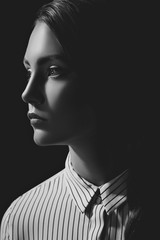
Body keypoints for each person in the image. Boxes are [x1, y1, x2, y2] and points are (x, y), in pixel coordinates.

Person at [0, 0, 156, 239]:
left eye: (53, 71)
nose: (27, 93)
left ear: (101, 74)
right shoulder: (22, 220)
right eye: (29, 71)